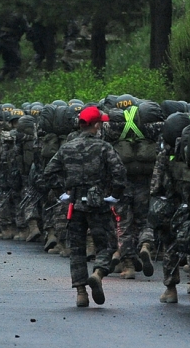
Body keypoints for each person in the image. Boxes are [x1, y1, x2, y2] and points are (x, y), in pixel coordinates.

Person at [39, 104, 127, 307]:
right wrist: (114, 195)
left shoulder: (66, 147)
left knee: (77, 248)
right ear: (96, 125)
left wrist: (61, 193)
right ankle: (98, 272)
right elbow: (119, 172)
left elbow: (49, 172)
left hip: (74, 203)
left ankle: (81, 293)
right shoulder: (104, 147)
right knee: (107, 244)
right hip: (98, 203)